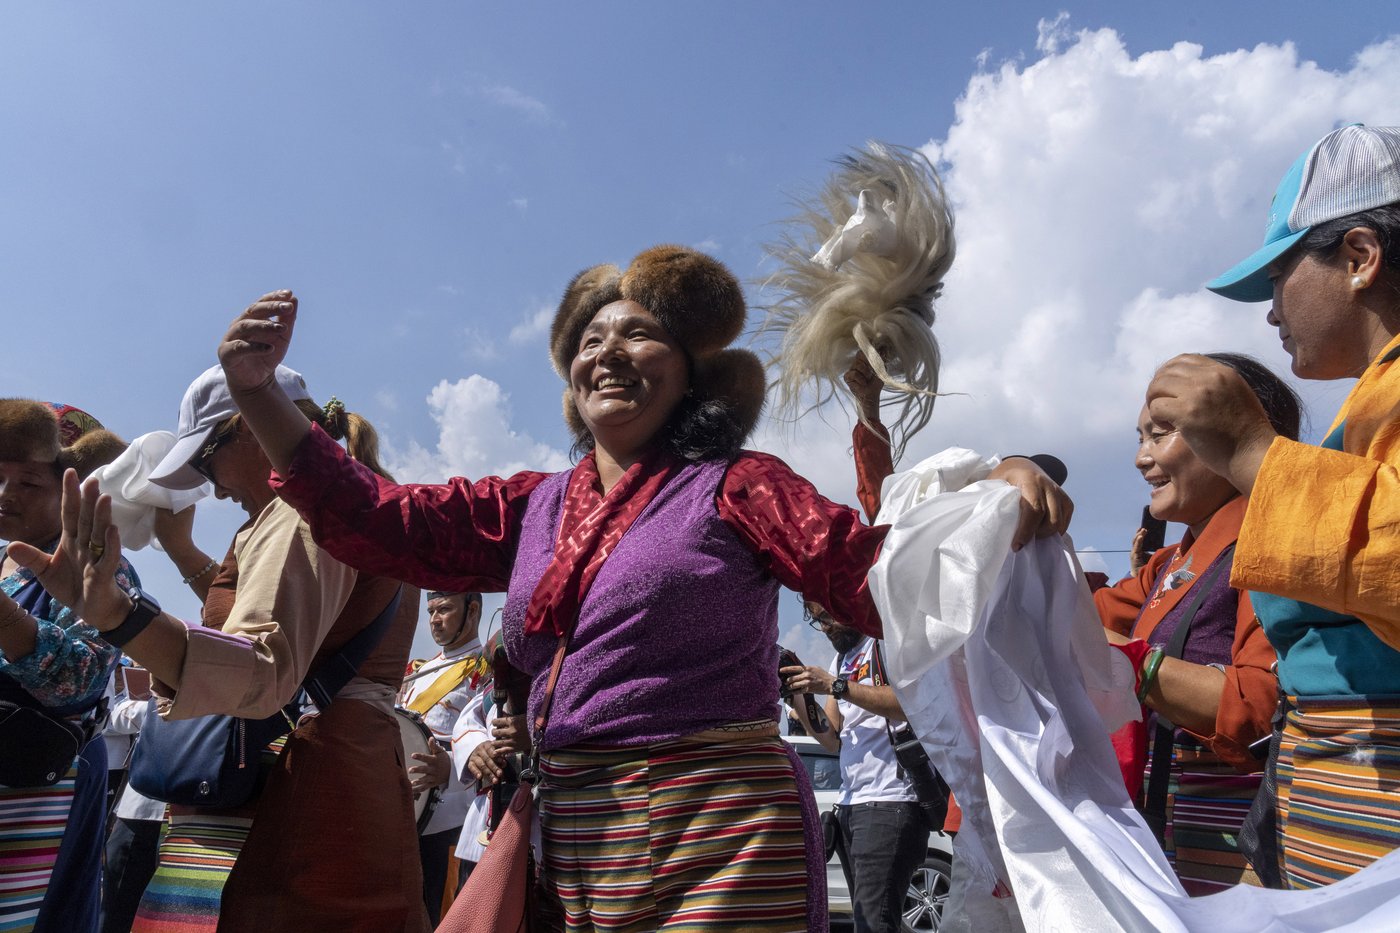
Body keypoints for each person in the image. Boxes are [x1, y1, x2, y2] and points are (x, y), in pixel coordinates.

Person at [209, 246, 1069, 930]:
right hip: (570, 843)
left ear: (692, 373)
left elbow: (876, 575)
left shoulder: (741, 485)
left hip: (722, 837)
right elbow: (376, 516)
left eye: (639, 334)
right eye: (590, 339)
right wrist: (257, 395)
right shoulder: (533, 505)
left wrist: (996, 491)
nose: (607, 352)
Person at [10, 366, 427, 932]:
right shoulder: (353, 497)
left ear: (251, 429)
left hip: (281, 785)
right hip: (341, 773)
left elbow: (256, 669)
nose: (215, 489)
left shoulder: (300, 509)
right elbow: (279, 630)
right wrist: (179, 552)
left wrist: (117, 616)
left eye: (206, 462)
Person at [1147, 123, 1400, 889]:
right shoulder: (1363, 408)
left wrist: (1255, 453)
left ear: (1359, 257)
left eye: (1279, 275)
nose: (1269, 313)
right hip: (1326, 824)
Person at [1095, 353, 1298, 893]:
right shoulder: (1168, 565)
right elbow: (1065, 615)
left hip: (1237, 847)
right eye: (1140, 438)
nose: (1142, 458)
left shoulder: (1271, 545)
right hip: (1166, 829)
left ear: (1228, 434)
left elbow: (1262, 702)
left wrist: (1119, 659)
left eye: (1161, 435)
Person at [0, 400, 133, 933]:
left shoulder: (102, 569)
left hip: (42, 780)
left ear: (73, 493)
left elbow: (79, 680)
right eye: (0, 478)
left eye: (28, 483)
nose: (6, 494)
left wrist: (9, 621)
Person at [783, 603, 935, 933]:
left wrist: (837, 686)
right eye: (817, 620)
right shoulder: (842, 660)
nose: (824, 627)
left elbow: (911, 704)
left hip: (891, 801)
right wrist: (797, 698)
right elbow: (833, 739)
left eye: (827, 615)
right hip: (851, 804)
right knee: (866, 921)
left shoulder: (885, 643)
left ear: (846, 599)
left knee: (873, 925)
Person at [400, 590, 490, 924]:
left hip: (449, 824)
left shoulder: (486, 669)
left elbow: (495, 744)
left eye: (445, 610)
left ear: (473, 610)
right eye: (431, 611)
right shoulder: (418, 671)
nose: (435, 620)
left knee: (441, 921)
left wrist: (449, 770)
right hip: (406, 820)